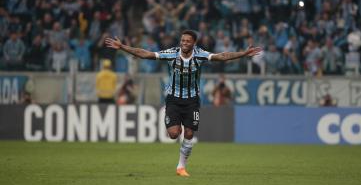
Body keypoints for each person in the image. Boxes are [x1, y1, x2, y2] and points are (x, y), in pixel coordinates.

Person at [105, 30, 261, 177]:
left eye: (188, 41)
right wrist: (123, 47)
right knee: (174, 134)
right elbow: (145, 54)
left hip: (192, 100)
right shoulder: (171, 53)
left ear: (194, 43)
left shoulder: (200, 55)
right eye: (183, 40)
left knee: (189, 133)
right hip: (173, 99)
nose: (184, 43)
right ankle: (176, 132)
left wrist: (243, 54)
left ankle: (181, 167)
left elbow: (223, 56)